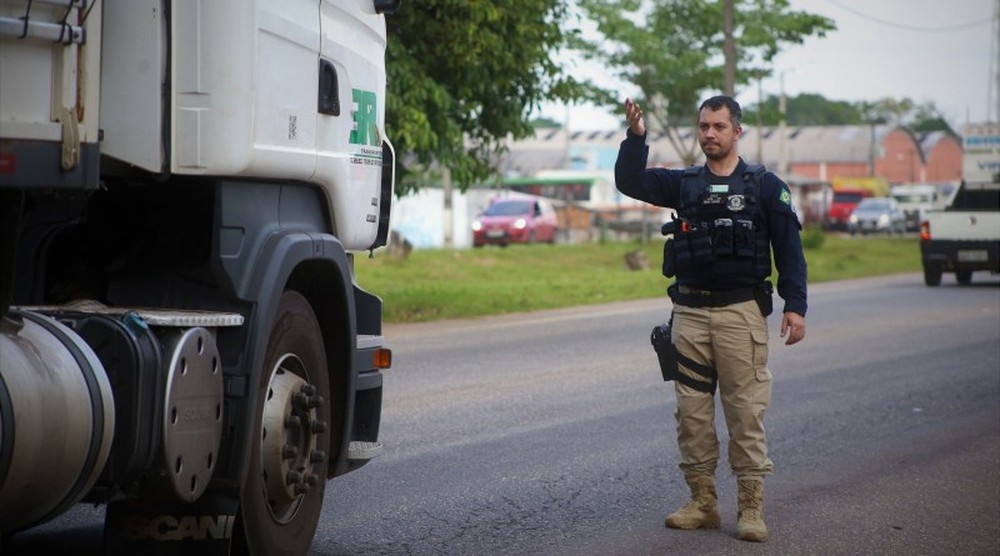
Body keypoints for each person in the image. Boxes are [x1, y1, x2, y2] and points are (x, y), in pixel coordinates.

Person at [615, 95, 807, 543]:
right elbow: (629, 182)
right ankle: (702, 503)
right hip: (690, 313)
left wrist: (795, 306)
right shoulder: (683, 184)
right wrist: (636, 138)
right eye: (703, 126)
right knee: (692, 415)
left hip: (740, 313)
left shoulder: (764, 185)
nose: (709, 134)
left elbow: (790, 252)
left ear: (737, 131)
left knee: (745, 412)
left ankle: (751, 507)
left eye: (719, 127)